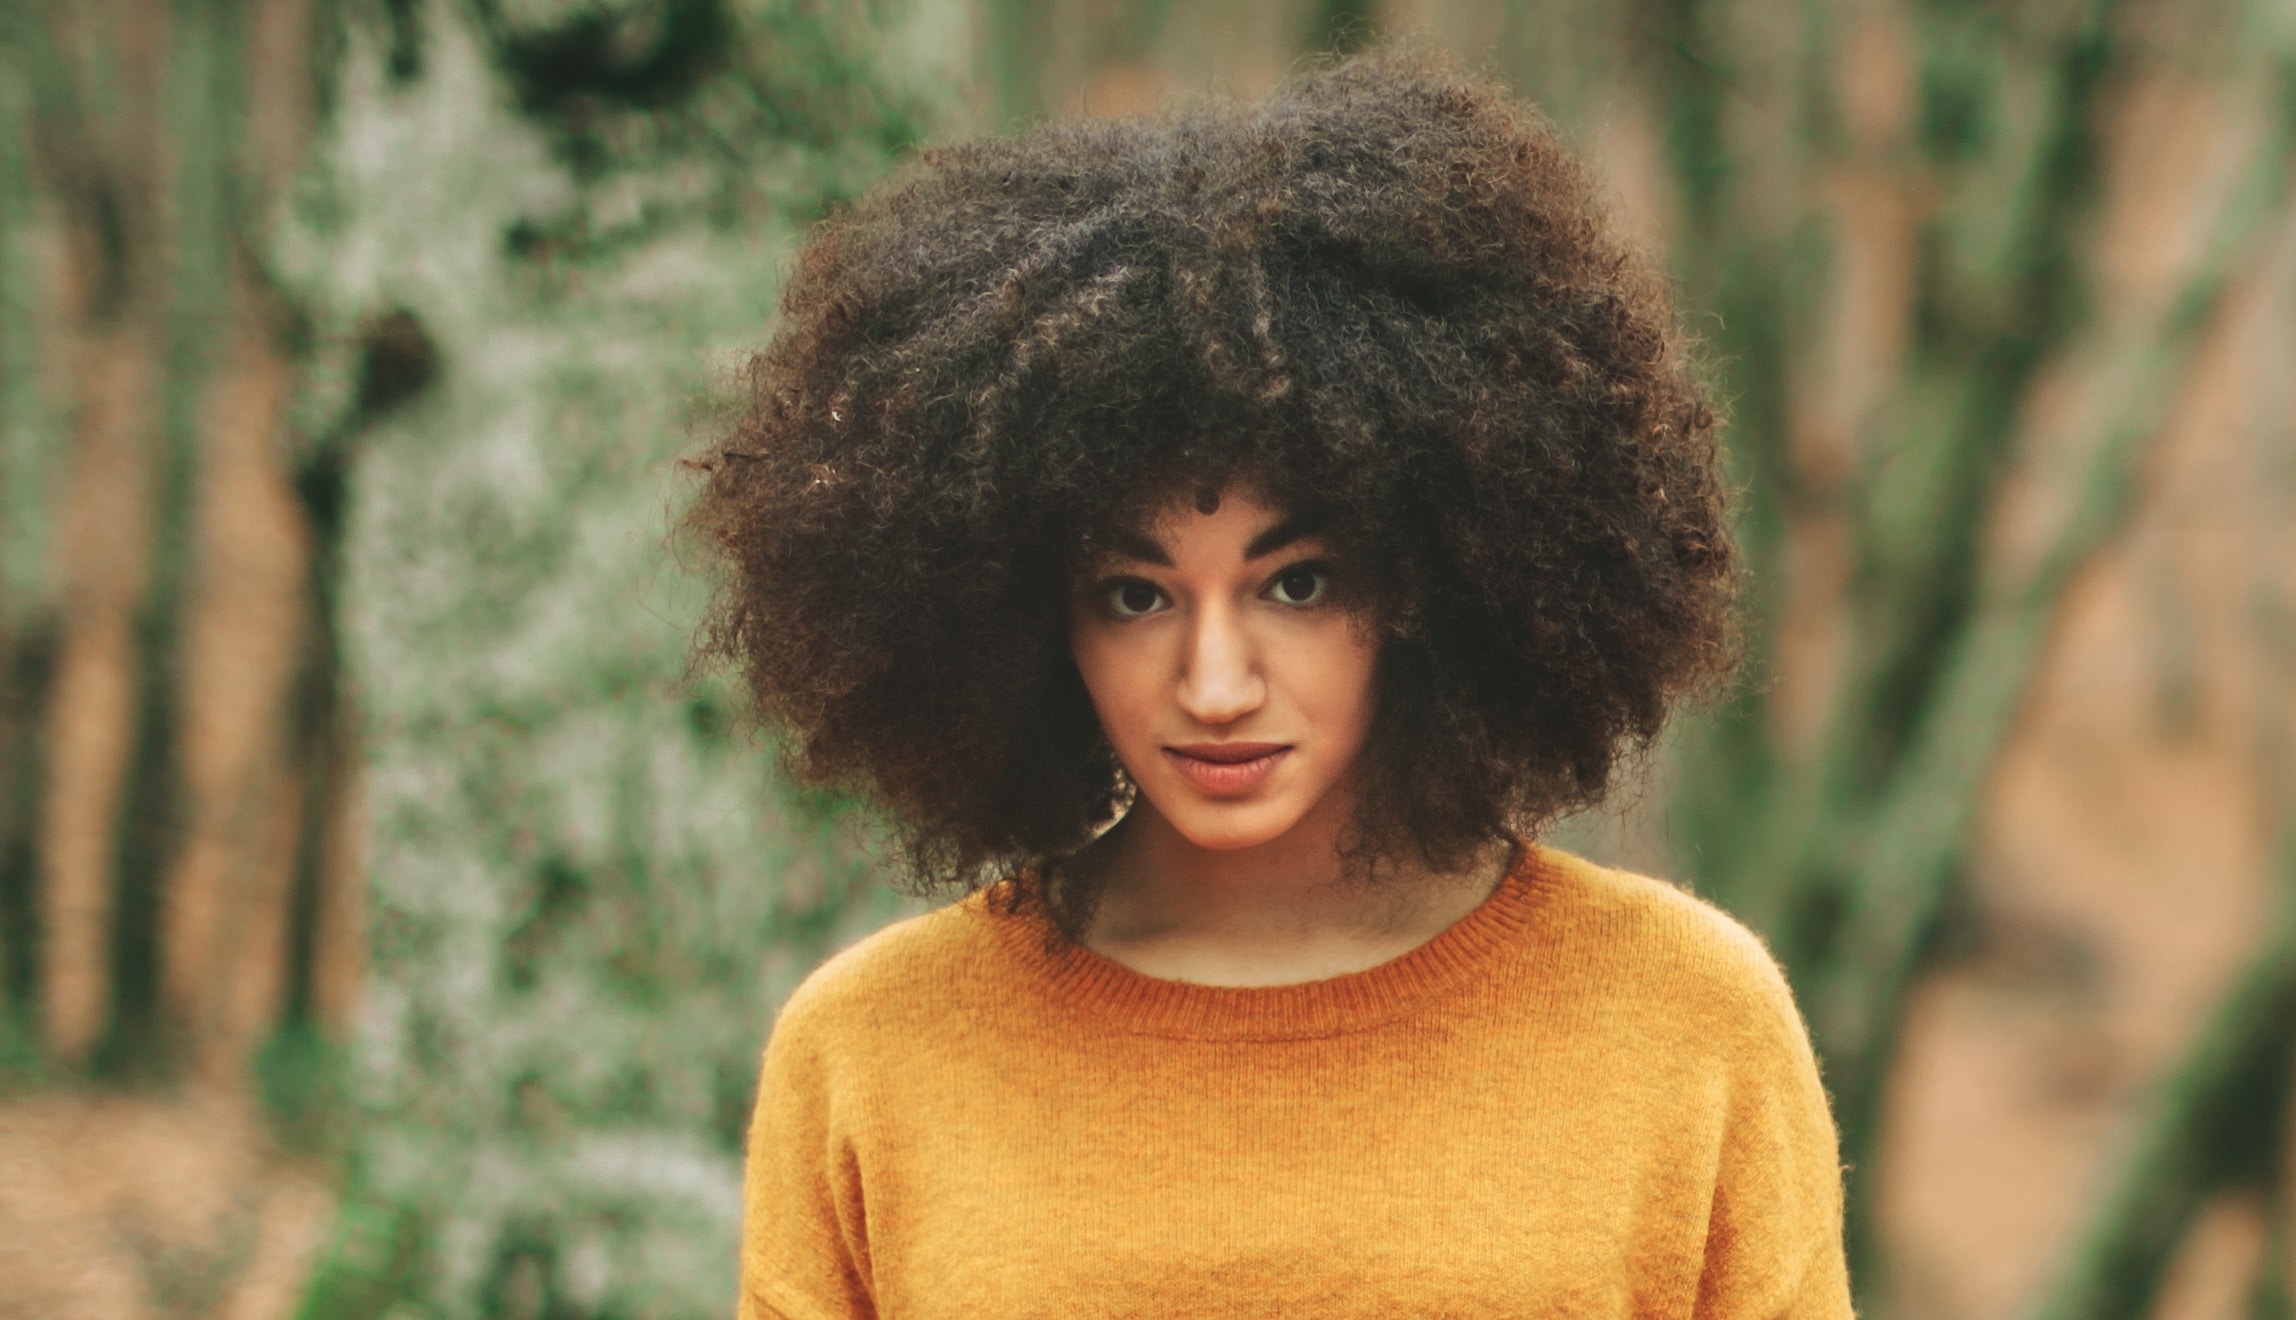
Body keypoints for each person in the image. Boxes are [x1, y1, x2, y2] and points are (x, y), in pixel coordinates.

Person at [687, 49, 1853, 1319]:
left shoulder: (1681, 1019)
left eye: (1296, 584)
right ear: (1021, 616)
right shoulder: (876, 1048)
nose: (1217, 683)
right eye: (1135, 595)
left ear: (1434, 578)